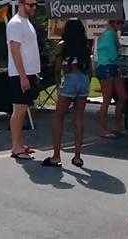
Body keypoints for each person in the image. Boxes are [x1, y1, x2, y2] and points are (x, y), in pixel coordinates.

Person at [42, 19, 92, 168]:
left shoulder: (62, 46)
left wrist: (58, 85)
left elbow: (57, 69)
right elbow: (90, 70)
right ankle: (77, 156)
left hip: (69, 78)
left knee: (58, 118)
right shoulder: (85, 46)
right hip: (83, 80)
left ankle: (56, 155)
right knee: (78, 119)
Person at [7, 0, 41, 161]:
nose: (34, 7)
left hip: (28, 72)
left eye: (34, 4)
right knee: (19, 109)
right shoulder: (16, 24)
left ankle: (19, 143)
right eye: (31, 4)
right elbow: (15, 49)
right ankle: (15, 146)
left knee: (22, 109)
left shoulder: (26, 22)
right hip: (20, 73)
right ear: (21, 4)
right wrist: (22, 76)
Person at [95, 19, 128, 138]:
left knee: (122, 96)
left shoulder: (111, 33)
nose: (121, 25)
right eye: (120, 22)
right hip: (106, 66)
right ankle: (103, 129)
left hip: (111, 66)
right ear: (113, 23)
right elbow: (112, 54)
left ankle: (117, 125)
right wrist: (120, 52)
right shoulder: (109, 34)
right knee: (107, 99)